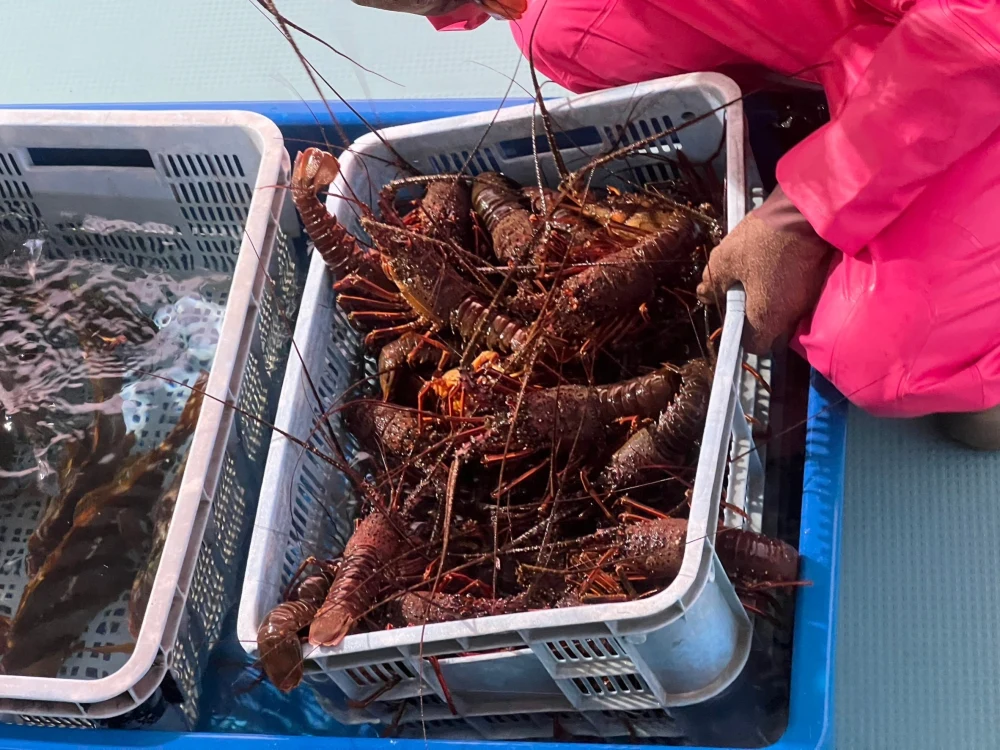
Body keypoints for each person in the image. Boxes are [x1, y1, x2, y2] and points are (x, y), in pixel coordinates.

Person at [353, 0, 1000, 449]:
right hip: (888, 38)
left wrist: (802, 213)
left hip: (972, 42)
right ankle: (821, 105)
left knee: (878, 349)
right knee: (560, 26)